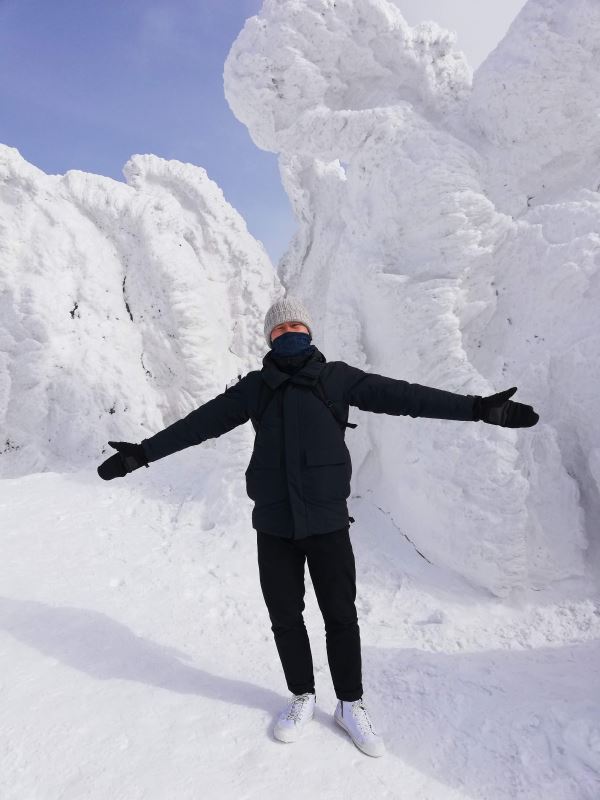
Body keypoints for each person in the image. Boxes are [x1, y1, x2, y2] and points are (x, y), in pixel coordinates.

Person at [97, 295, 539, 758]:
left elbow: (407, 397)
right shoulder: (254, 388)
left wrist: (477, 409)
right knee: (285, 616)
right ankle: (302, 695)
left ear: (309, 332)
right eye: (279, 328)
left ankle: (350, 704)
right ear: (268, 337)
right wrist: (141, 454)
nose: (288, 332)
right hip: (273, 522)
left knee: (340, 616)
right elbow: (199, 425)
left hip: (327, 521)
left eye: (295, 325)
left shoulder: (337, 378)